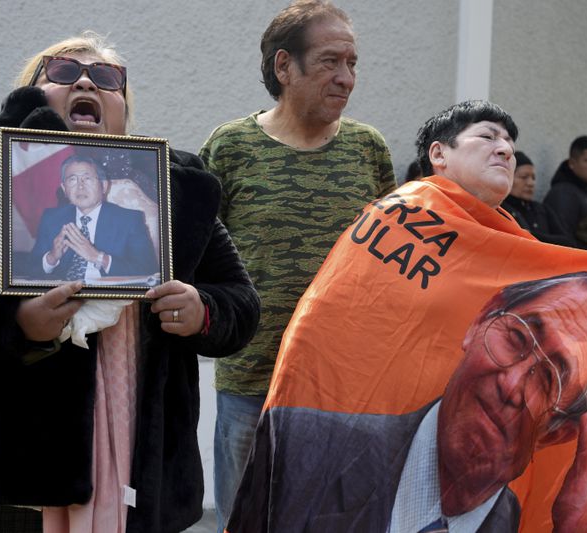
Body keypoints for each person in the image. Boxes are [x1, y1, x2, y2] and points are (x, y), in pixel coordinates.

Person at [226, 101, 587, 532]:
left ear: (561, 429)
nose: (505, 149)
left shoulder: (518, 252)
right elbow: (328, 327)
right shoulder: (400, 217)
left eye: (551, 378)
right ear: (438, 154)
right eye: (487, 136)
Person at [0, 32, 260, 533]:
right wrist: (14, 321)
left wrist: (202, 311)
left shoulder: (173, 187)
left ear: (122, 109)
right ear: (33, 92)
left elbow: (240, 300)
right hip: (6, 489)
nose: (86, 80)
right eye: (63, 72)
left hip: (143, 482)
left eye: (106, 78)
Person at [198, 1, 395, 530]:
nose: (347, 78)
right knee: (244, 519)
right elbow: (198, 257)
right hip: (249, 380)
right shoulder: (230, 147)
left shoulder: (367, 150)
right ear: (285, 66)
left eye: (352, 63)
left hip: (341, 385)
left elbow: (390, 263)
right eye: (331, 61)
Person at [388, 270, 587, 532]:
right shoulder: (346, 447)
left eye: (549, 378)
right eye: (517, 338)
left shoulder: (516, 522)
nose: (511, 384)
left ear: (557, 433)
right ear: (481, 319)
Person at [30, 154, 158, 282]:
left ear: (104, 186)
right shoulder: (52, 218)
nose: (80, 186)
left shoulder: (129, 220)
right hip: (62, 294)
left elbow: (147, 270)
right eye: (72, 180)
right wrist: (51, 258)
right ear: (64, 189)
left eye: (87, 179)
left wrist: (99, 257)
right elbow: (30, 269)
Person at [500, 151, 574, 246]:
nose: (531, 183)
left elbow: (568, 242)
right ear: (508, 177)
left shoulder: (542, 209)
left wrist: (530, 235)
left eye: (533, 178)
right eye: (524, 177)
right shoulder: (501, 209)